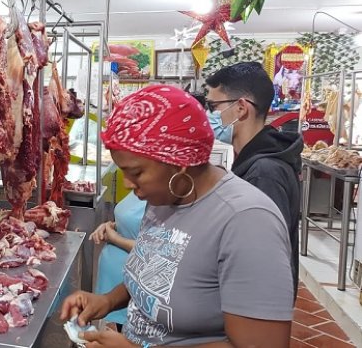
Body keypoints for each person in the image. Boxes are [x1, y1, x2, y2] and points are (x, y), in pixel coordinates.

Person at [60, 85, 294, 347]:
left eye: (136, 173)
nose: (128, 184)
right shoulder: (166, 197)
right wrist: (107, 300)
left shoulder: (247, 221)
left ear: (178, 163)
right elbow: (156, 275)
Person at [205, 62, 302, 298]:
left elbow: (262, 254)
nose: (209, 115)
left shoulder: (264, 171)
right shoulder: (253, 159)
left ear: (240, 108)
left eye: (213, 106)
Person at [90, 191, 146, 331]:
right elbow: (133, 222)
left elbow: (152, 251)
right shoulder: (139, 189)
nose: (128, 183)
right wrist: (111, 226)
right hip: (115, 288)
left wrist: (115, 238)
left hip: (133, 285)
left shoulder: (166, 201)